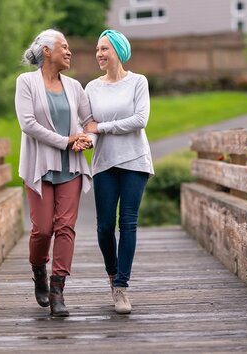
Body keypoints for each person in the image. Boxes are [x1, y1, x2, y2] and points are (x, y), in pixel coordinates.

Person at [15, 29, 93, 317]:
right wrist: (66, 140)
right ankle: (39, 270)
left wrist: (87, 139)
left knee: (65, 228)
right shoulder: (26, 82)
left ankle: (58, 289)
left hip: (70, 168)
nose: (69, 51)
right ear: (47, 51)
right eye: (64, 46)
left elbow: (90, 121)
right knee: (43, 229)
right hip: (39, 166)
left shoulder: (74, 86)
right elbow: (28, 124)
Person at [82, 29, 154, 315]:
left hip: (135, 160)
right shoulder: (91, 88)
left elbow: (140, 120)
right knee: (103, 227)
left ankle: (122, 288)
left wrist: (101, 128)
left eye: (105, 49)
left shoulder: (138, 82)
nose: (99, 54)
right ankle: (112, 275)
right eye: (97, 49)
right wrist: (86, 139)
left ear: (119, 52)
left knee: (128, 223)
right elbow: (89, 126)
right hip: (104, 163)